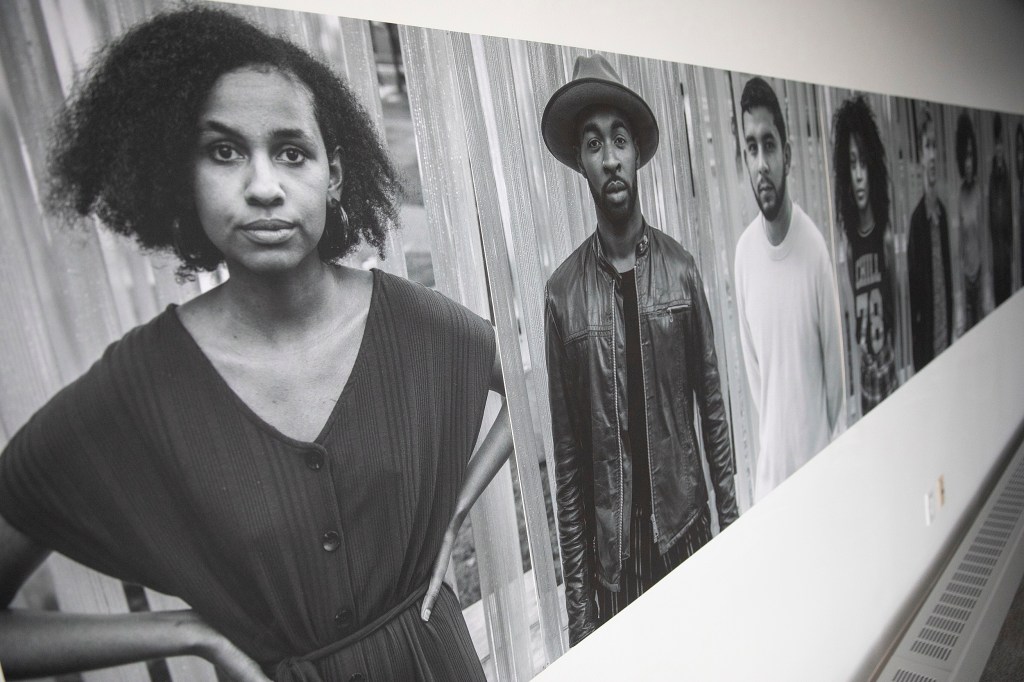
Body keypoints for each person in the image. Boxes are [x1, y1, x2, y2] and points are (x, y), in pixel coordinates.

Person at [0, 8, 511, 681]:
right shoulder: (139, 388)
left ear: (333, 173)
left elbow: (541, 382)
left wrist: (456, 511)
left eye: (292, 152)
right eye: (224, 151)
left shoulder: (414, 324)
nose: (264, 186)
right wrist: (190, 632)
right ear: (182, 177)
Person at [540, 54, 738, 646]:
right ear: (582, 162)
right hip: (615, 569)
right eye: (594, 143)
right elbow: (569, 464)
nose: (609, 157)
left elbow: (715, 416)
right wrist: (580, 613)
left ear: (636, 153)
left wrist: (734, 537)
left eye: (619, 140)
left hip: (688, 539)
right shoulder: (562, 296)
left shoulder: (681, 272)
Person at [733, 77, 845, 502]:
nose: (761, 162)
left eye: (769, 145)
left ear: (788, 154)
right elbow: (759, 383)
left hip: (820, 484)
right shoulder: (744, 255)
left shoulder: (815, 250)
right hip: (773, 492)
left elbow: (835, 387)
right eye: (751, 148)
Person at [832, 95, 899, 416]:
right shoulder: (847, 247)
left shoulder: (884, 236)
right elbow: (847, 327)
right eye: (851, 164)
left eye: (862, 163)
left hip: (890, 370)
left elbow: (896, 311)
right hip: (865, 385)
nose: (858, 174)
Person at [907, 107, 954, 372]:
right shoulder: (916, 224)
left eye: (935, 146)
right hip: (928, 355)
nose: (933, 154)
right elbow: (915, 307)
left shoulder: (944, 215)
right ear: (921, 156)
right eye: (928, 146)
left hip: (946, 341)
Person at [956, 112, 991, 330]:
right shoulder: (959, 195)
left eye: (971, 156)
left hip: (980, 275)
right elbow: (960, 242)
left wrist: (986, 281)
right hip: (967, 277)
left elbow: (985, 237)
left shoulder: (980, 191)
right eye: (964, 157)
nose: (968, 163)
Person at [989, 114, 1013, 306]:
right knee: (999, 292)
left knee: (1007, 287)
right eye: (997, 145)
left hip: (1005, 247)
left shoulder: (1006, 177)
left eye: (1001, 145)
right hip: (997, 249)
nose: (999, 149)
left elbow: (1008, 210)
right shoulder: (993, 178)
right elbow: (991, 215)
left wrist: (1010, 248)